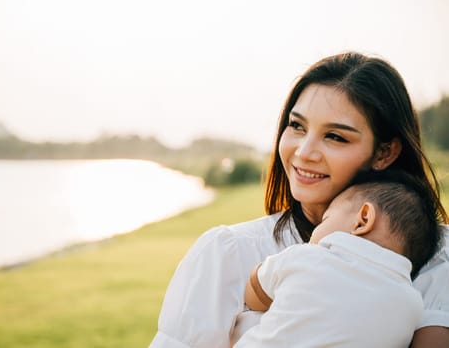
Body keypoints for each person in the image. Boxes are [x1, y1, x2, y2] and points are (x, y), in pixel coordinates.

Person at [149, 52, 449, 348]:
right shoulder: (228, 253)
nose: (304, 152)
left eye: (335, 136)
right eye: (297, 126)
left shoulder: (439, 259)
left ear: (384, 153)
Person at [236, 170, 442, 347]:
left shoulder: (308, 256)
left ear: (363, 220)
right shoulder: (412, 305)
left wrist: (264, 271)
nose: (314, 232)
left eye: (326, 219)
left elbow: (254, 294)